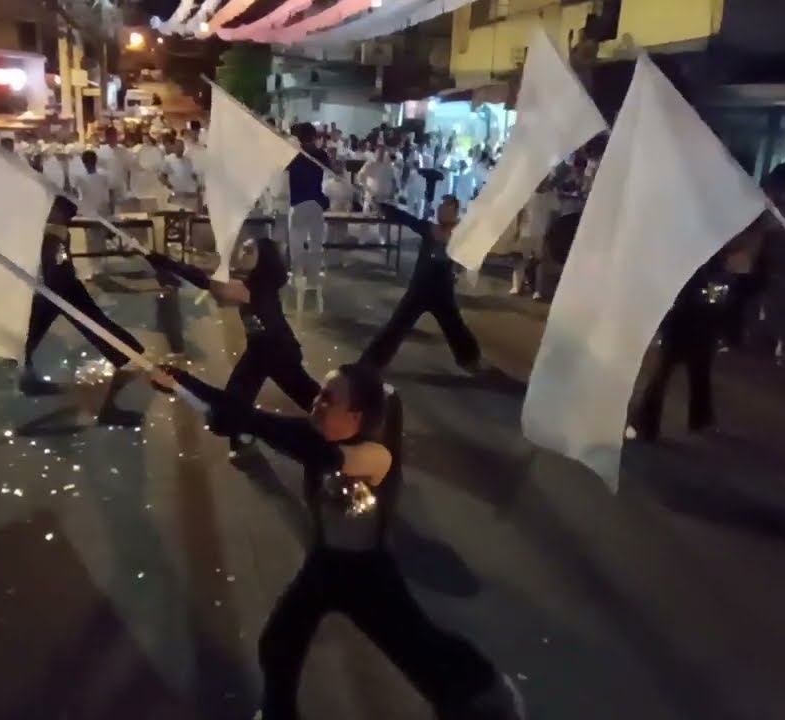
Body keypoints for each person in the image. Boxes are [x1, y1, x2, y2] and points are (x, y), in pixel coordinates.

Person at [149, 363, 524, 720]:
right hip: (326, 564)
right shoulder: (320, 434)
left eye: (329, 398)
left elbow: (297, 443)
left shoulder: (375, 456)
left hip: (367, 576)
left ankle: (489, 694)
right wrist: (184, 384)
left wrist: (246, 421)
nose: (316, 402)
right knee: (278, 645)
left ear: (356, 417)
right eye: (320, 394)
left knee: (420, 650)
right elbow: (267, 423)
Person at [144, 237, 319, 456]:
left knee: (311, 398)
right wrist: (166, 263)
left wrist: (167, 263)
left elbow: (210, 284)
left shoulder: (256, 288)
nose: (241, 253)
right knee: (235, 401)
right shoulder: (252, 282)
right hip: (259, 351)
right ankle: (242, 434)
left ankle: (350, 435)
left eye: (248, 251)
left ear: (263, 259)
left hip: (278, 352)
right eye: (243, 249)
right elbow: (212, 281)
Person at [21, 196, 146, 422]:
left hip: (60, 295)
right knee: (125, 350)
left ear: (59, 213)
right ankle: (109, 410)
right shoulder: (54, 235)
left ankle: (27, 379)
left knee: (27, 340)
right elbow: (57, 272)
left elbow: (57, 271)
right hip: (62, 295)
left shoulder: (55, 234)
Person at [359, 197, 482, 373]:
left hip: (442, 293)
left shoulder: (460, 234)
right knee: (396, 327)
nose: (440, 210)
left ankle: (470, 359)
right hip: (419, 289)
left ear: (454, 211)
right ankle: (370, 363)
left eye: (445, 207)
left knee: (455, 327)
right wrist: (383, 206)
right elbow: (406, 219)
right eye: (439, 207)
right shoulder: (430, 229)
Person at [628, 255, 730, 442]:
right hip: (685, 325)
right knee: (669, 375)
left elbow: (714, 298)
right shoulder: (707, 267)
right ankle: (648, 422)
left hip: (692, 325)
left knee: (692, 373)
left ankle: (694, 419)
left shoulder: (709, 266)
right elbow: (710, 299)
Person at [286, 123, 331, 289]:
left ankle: (297, 276)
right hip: (316, 203)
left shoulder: (293, 155)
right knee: (316, 244)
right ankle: (313, 278)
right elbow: (329, 171)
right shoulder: (321, 154)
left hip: (298, 203)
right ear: (313, 137)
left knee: (297, 244)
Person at [160, 138, 200, 210]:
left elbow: (194, 175)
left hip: (189, 193)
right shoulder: (168, 160)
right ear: (174, 147)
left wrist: (198, 185)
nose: (180, 149)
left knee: (189, 213)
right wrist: (168, 185)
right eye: (178, 147)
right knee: (176, 212)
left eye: (181, 147)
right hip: (176, 193)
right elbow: (161, 175)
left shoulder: (188, 160)